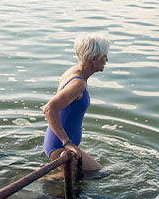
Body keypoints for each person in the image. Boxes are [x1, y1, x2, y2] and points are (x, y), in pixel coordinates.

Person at [42, 34, 110, 171]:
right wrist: (67, 143)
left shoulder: (74, 72)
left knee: (79, 179)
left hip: (58, 142)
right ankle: (44, 185)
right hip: (59, 146)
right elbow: (49, 109)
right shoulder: (77, 83)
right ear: (93, 59)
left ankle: (51, 184)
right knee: (98, 172)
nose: (106, 59)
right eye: (104, 56)